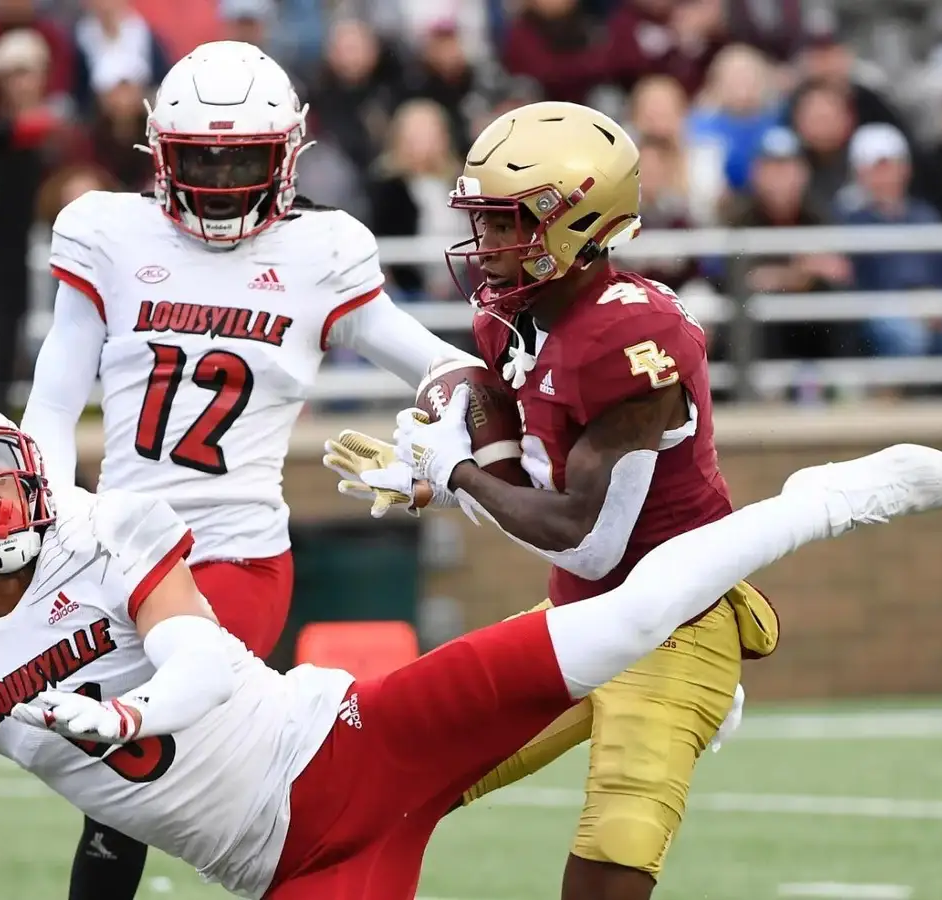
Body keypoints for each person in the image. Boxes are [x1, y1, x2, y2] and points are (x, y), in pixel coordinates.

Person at [0, 396, 942, 899]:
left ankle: (822, 502)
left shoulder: (104, 527)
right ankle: (627, 694)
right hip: (291, 870)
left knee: (625, 618)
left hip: (346, 741)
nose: (0, 502)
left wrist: (128, 715)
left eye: (4, 473)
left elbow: (197, 659)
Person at [17, 39, 473, 900]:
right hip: (116, 552)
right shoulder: (107, 231)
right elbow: (52, 402)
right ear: (161, 153)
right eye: (203, 159)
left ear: (288, 155)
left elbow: (440, 368)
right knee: (114, 778)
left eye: (243, 160)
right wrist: (50, 522)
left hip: (235, 555)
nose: (223, 181)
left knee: (138, 763)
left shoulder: (320, 250)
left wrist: (446, 446)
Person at [326, 99, 774, 900]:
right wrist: (435, 482)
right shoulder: (513, 319)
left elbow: (589, 540)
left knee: (610, 858)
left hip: (672, 623)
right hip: (579, 614)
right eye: (484, 221)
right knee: (392, 777)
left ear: (579, 221)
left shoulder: (632, 339)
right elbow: (535, 485)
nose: (487, 243)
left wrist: (459, 477)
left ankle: (700, 693)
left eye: (508, 222)